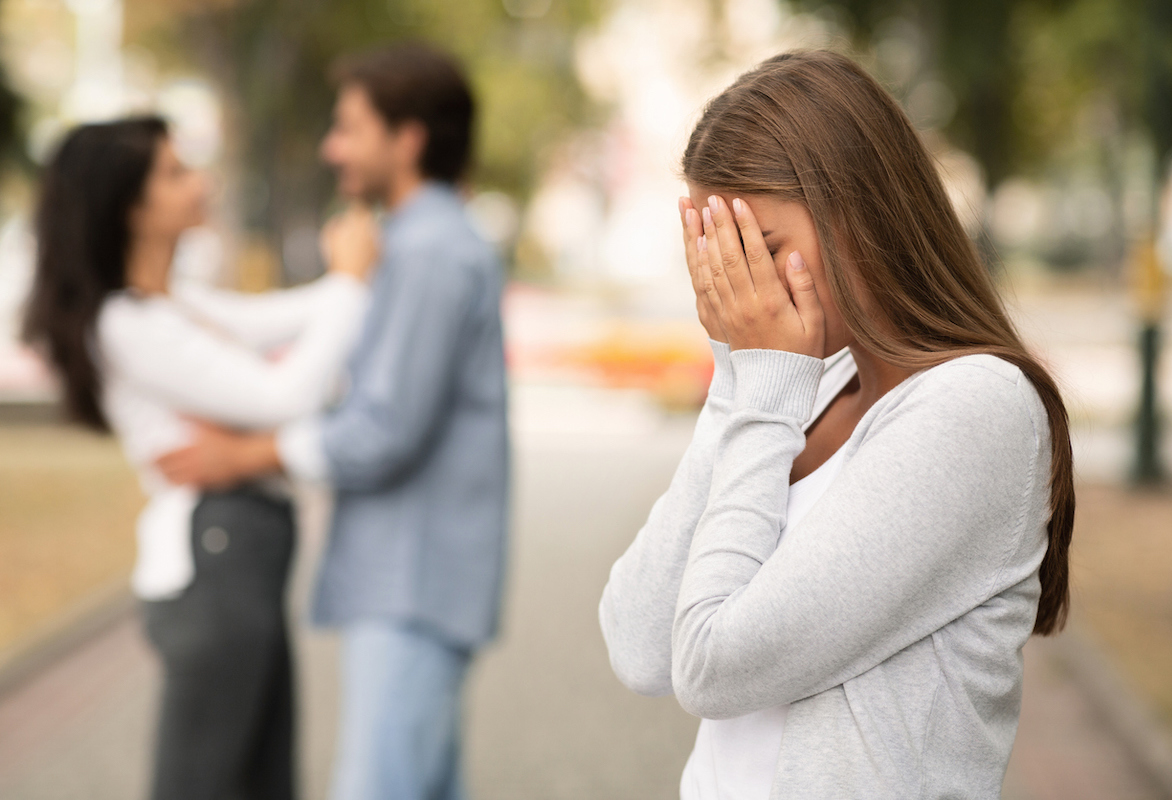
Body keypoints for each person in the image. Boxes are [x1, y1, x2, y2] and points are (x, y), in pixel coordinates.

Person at [599, 50, 1075, 800]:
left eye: (762, 250)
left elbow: (713, 667)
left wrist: (762, 387)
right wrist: (737, 376)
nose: (740, 286)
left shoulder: (977, 407)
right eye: (719, 257)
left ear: (860, 214)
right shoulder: (802, 388)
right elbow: (639, 645)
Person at [155, 43, 510, 800]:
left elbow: (385, 429)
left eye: (349, 128)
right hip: (412, 576)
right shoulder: (412, 245)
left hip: (412, 582)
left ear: (408, 139)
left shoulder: (428, 254)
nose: (331, 148)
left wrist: (247, 455)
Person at [22, 116, 375, 799]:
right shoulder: (126, 324)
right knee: (203, 783)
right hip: (216, 562)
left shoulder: (173, 305)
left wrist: (348, 276)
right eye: (175, 173)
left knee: (260, 778)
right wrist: (352, 282)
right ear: (129, 206)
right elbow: (283, 395)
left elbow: (288, 318)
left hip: (240, 560)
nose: (200, 183)